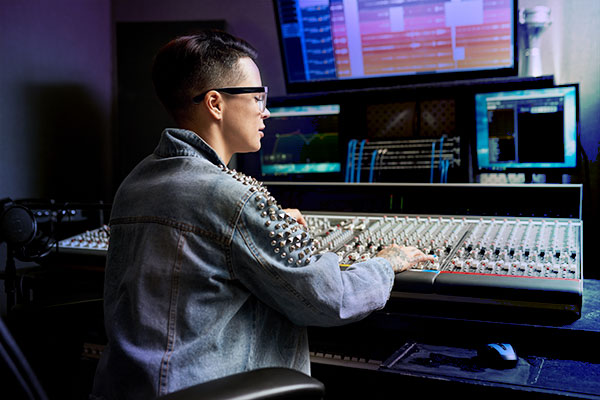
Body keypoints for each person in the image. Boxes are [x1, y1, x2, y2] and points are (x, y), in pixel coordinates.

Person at [91, 30, 433, 400]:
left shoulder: (137, 180)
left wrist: (257, 223)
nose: (265, 109)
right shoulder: (233, 199)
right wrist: (386, 263)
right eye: (257, 96)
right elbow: (333, 300)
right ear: (215, 104)